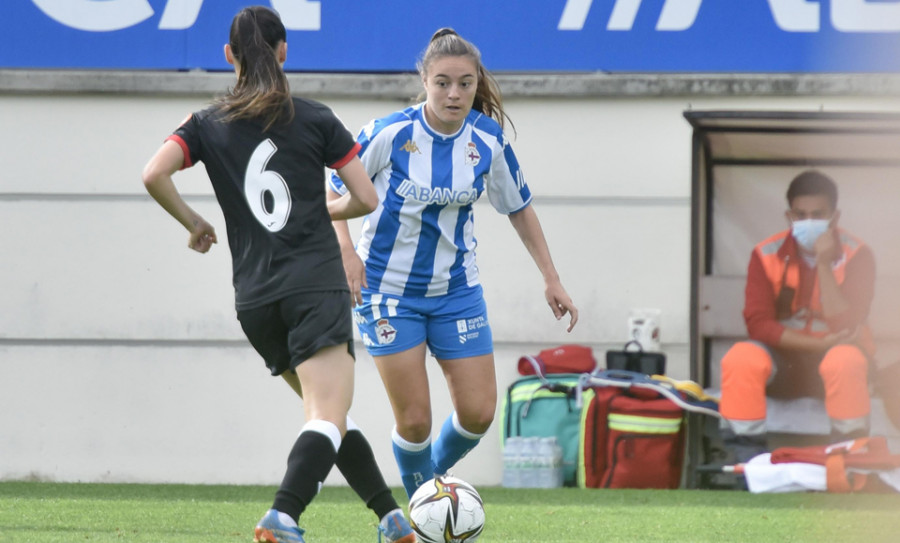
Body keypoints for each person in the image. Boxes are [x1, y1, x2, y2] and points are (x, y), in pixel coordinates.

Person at [140, 7, 414, 543]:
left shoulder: (205, 123)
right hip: (313, 285)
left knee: (326, 414)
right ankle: (283, 515)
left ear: (228, 56)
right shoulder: (314, 118)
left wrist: (195, 221)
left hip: (256, 299)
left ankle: (391, 520)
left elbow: (153, 173)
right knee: (329, 413)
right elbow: (365, 197)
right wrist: (321, 210)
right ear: (284, 51)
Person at [328, 28, 579, 499]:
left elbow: (519, 206)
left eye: (465, 83)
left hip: (456, 292)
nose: (454, 93)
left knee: (479, 412)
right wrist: (346, 254)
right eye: (443, 82)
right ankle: (423, 509)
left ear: (476, 82)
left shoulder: (487, 138)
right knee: (416, 421)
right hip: (387, 292)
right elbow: (332, 193)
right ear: (424, 79)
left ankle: (421, 494)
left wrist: (552, 278)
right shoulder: (389, 133)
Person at [719, 170, 876, 463]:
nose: (809, 222)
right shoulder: (766, 253)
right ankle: (746, 463)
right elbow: (758, 324)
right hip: (785, 364)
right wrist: (816, 345)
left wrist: (825, 265)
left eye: (818, 214)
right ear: (789, 216)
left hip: (839, 361)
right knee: (741, 358)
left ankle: (850, 461)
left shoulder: (858, 255)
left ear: (835, 217)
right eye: (801, 215)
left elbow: (846, 323)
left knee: (845, 359)